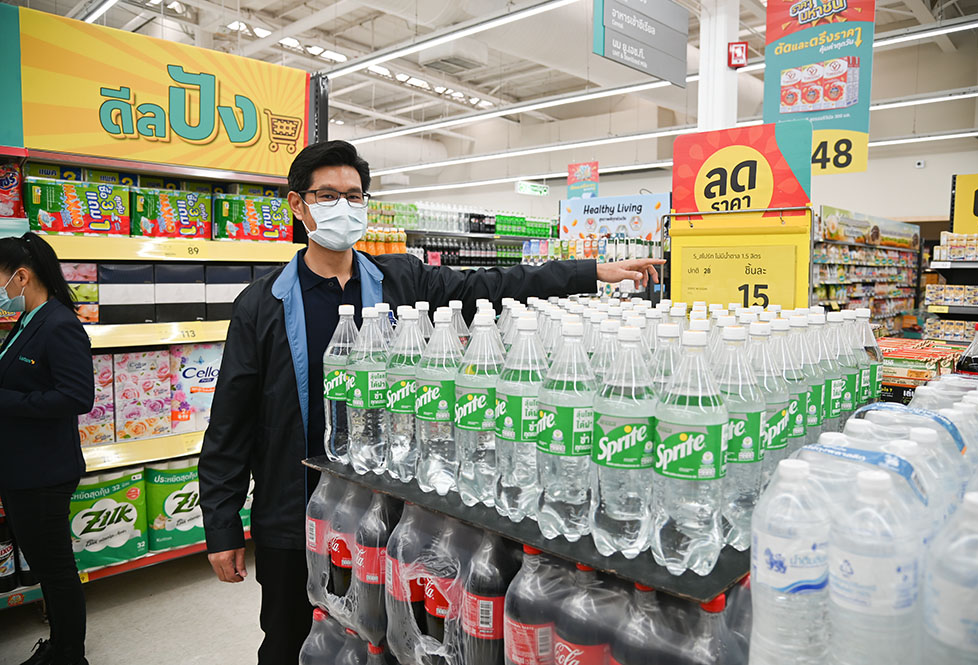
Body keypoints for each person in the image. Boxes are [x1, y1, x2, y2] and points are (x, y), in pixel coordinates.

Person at [198, 139, 663, 664]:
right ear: (297, 205)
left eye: (355, 196)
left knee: (383, 637)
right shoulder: (262, 304)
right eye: (328, 196)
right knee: (287, 638)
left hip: (386, 510)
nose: (344, 208)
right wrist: (221, 523)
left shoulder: (400, 279)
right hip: (292, 511)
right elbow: (229, 423)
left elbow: (490, 284)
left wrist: (587, 273)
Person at [0, 233, 94, 665]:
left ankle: (68, 652)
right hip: (22, 467)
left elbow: (77, 397)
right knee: (46, 564)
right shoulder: (28, 320)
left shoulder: (59, 323)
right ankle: (60, 644)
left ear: (21, 277)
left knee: (55, 569)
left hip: (43, 471)